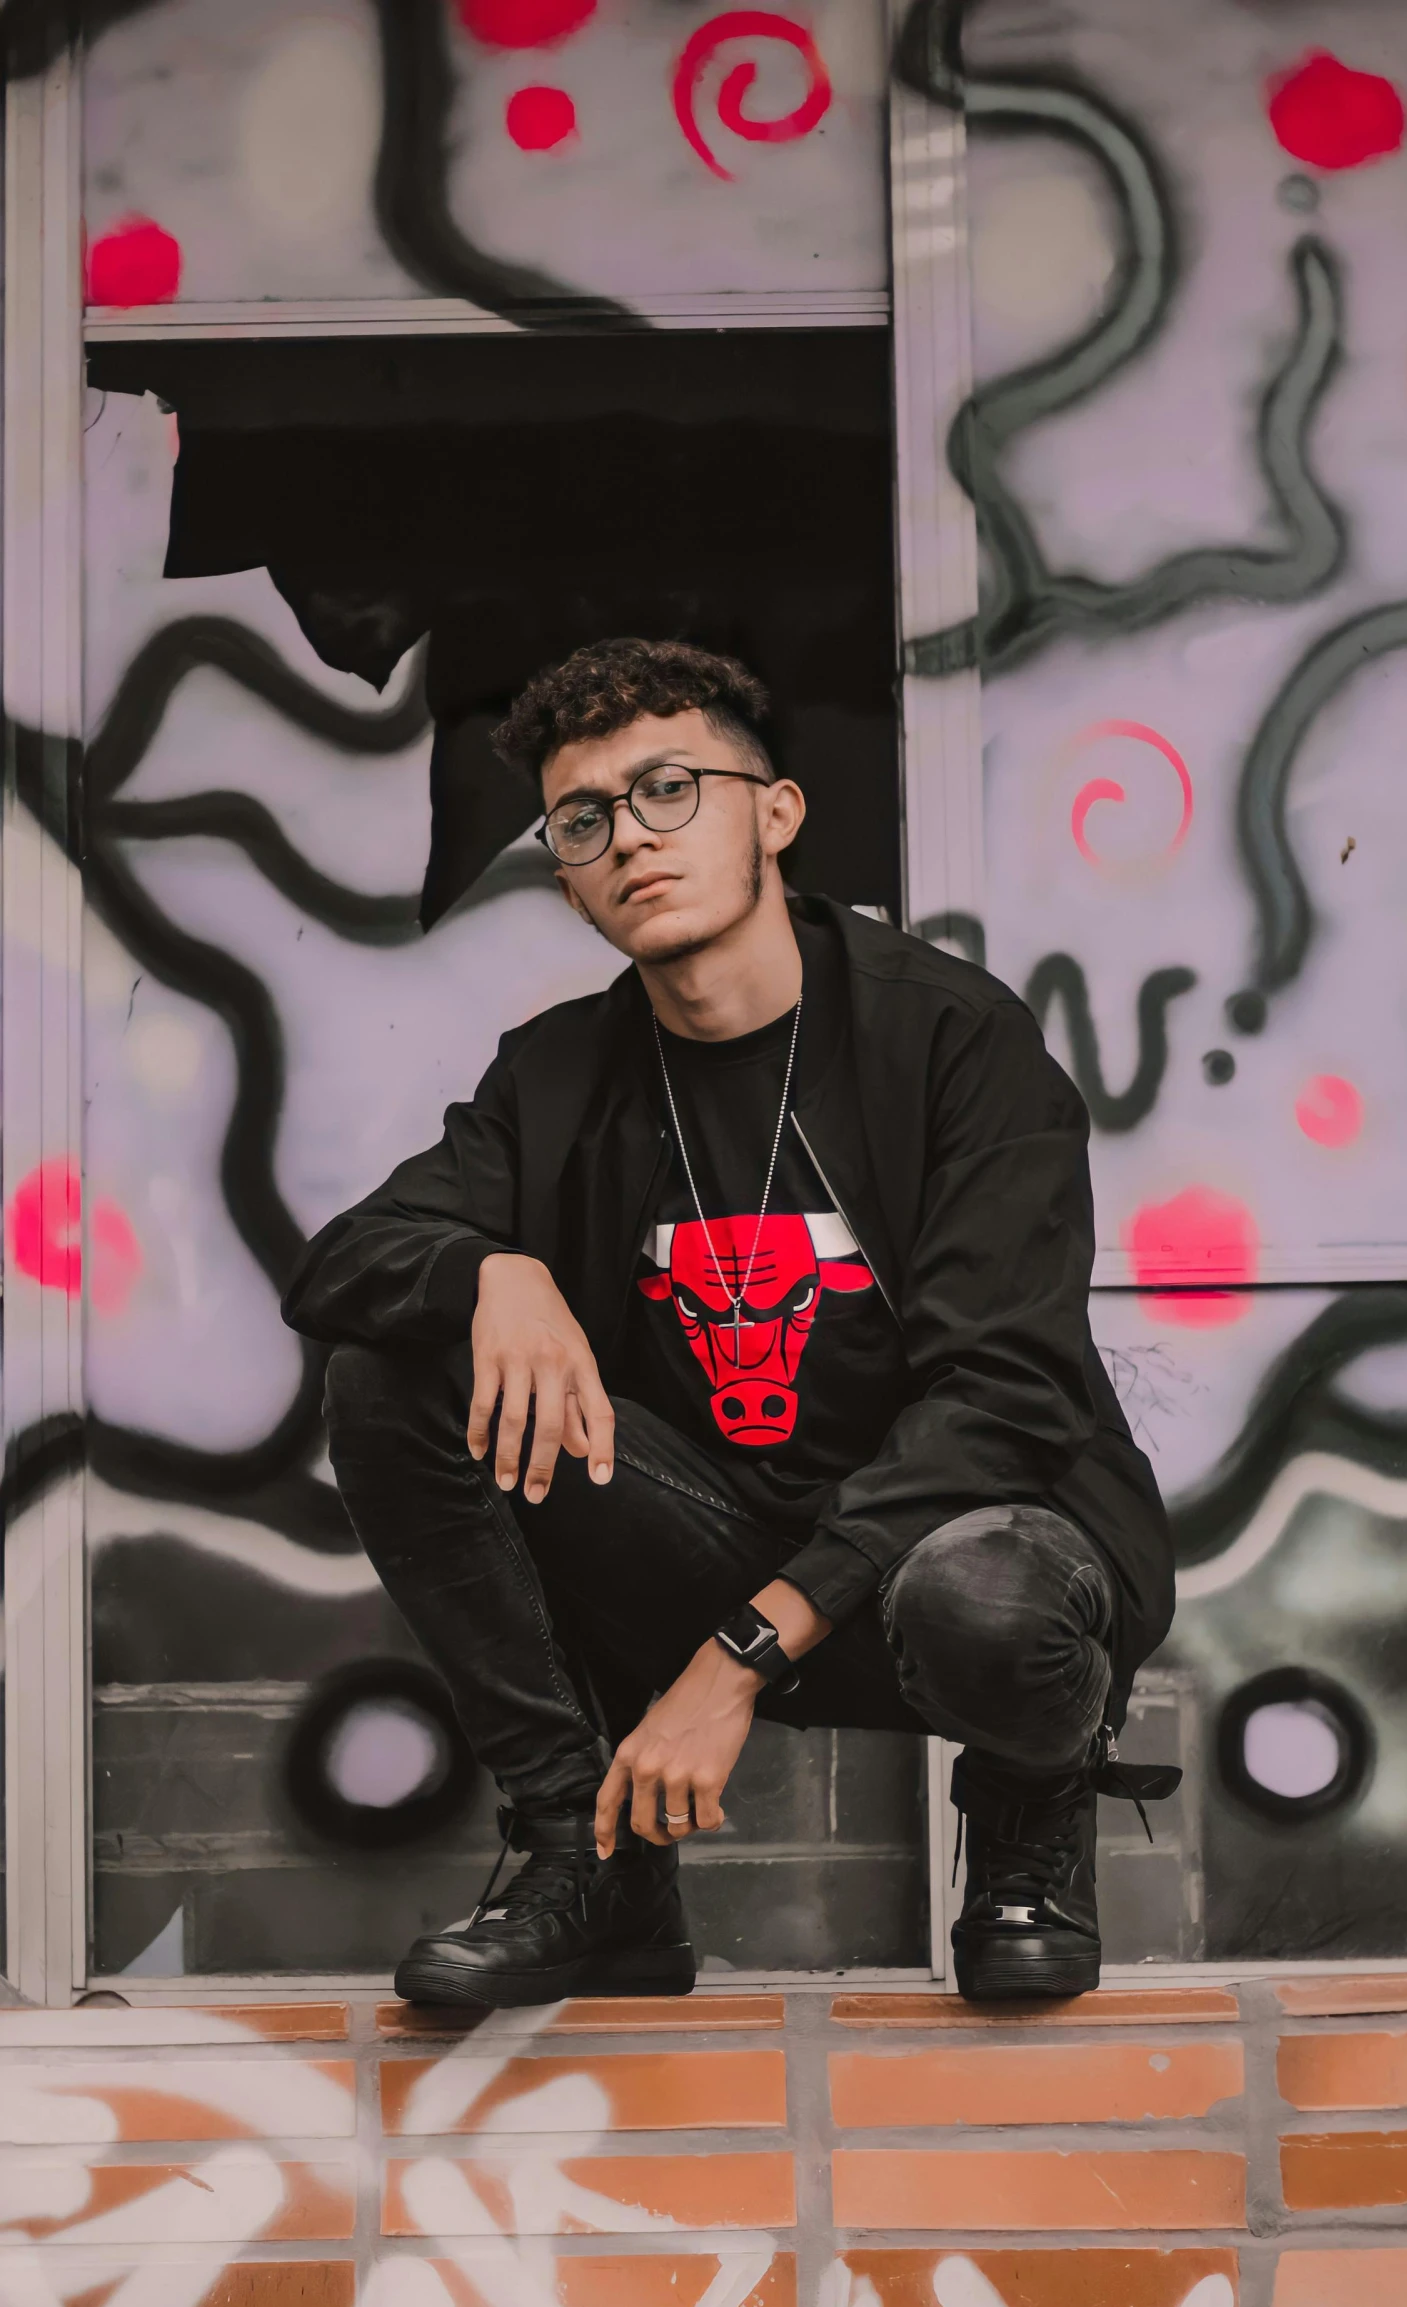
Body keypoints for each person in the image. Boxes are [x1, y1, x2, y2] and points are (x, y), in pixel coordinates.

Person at [282, 637, 1177, 2009]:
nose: (627, 838)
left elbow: (1001, 1397)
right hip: (708, 1529)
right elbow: (345, 1261)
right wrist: (487, 1277)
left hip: (952, 1553)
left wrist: (732, 1659)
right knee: (389, 1372)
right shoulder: (560, 1074)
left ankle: (1025, 1811)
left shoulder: (950, 1040)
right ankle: (588, 1861)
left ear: (774, 812)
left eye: (667, 790)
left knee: (981, 1594)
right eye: (582, 820)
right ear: (566, 875)